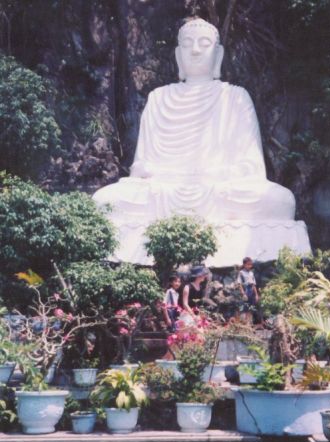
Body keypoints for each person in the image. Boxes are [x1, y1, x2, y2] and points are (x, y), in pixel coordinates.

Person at [92, 17, 310, 267]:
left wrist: (215, 175)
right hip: (164, 190)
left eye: (203, 43)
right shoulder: (158, 98)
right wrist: (154, 173)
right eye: (187, 44)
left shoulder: (236, 97)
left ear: (217, 54)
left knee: (280, 201)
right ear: (178, 54)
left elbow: (251, 169)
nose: (195, 50)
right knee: (104, 202)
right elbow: (141, 168)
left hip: (220, 190)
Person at [237, 257, 259, 323]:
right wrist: (243, 294)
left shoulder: (251, 273)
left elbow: (253, 284)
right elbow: (239, 284)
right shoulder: (241, 272)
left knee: (251, 307)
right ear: (244, 264)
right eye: (248, 264)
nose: (250, 266)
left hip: (251, 291)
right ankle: (243, 323)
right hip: (245, 290)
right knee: (244, 307)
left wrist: (256, 295)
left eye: (251, 264)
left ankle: (249, 323)